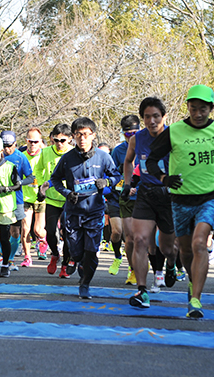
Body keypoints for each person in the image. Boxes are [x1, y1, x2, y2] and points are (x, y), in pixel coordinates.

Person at [146, 85, 214, 318]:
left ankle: (196, 300)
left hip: (210, 196)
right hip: (180, 198)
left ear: (212, 109)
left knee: (200, 243)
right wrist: (163, 178)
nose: (198, 114)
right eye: (193, 108)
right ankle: (192, 282)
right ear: (187, 107)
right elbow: (151, 160)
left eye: (203, 109)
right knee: (186, 251)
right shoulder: (175, 131)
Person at [50, 117, 121, 299]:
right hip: (73, 212)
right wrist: (66, 193)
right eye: (79, 134)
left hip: (95, 211)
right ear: (73, 136)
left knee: (91, 251)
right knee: (76, 251)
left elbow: (116, 176)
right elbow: (55, 179)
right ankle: (76, 260)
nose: (82, 138)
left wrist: (106, 182)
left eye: (86, 134)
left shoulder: (103, 157)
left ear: (93, 136)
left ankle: (85, 283)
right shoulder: (67, 158)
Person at [123, 98, 178, 308]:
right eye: (147, 117)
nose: (152, 121)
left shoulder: (175, 137)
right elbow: (128, 161)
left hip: (169, 195)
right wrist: (128, 184)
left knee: (167, 247)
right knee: (139, 240)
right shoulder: (137, 139)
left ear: (164, 117)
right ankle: (142, 290)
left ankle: (171, 264)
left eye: (156, 116)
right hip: (146, 194)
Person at [35, 124, 74, 277]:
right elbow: (37, 169)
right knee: (50, 231)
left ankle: (65, 265)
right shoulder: (45, 152)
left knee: (68, 233)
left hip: (68, 198)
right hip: (51, 197)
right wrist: (41, 184)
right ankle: (55, 254)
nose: (59, 143)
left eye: (63, 140)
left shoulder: (73, 153)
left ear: (70, 139)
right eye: (56, 140)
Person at [111, 115, 140, 284]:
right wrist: (124, 185)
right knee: (129, 237)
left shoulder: (147, 146)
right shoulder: (118, 151)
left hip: (145, 197)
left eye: (135, 133)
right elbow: (112, 174)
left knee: (143, 239)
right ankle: (133, 269)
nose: (132, 137)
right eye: (128, 134)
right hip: (126, 197)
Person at [0, 136, 21, 277]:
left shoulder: (10, 167)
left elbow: (18, 185)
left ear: (1, 151)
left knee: (3, 239)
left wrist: (5, 188)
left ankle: (5, 264)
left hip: (6, 207)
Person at [0, 130, 35, 270]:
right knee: (1, 230)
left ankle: (11, 258)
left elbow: (31, 177)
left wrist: (19, 183)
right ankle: (3, 256)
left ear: (15, 144)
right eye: (4, 145)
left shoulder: (20, 157)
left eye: (10, 145)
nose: (7, 149)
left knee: (15, 231)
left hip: (16, 199)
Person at [20, 128, 47, 267]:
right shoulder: (21, 155)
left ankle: (43, 239)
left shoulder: (44, 155)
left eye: (36, 142)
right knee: (25, 229)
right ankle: (27, 256)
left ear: (40, 142)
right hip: (25, 197)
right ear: (26, 141)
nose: (33, 144)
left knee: (38, 230)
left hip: (41, 197)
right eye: (30, 141)